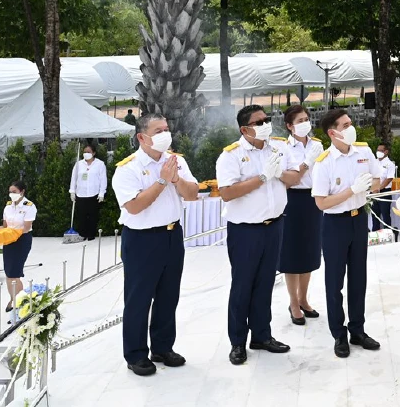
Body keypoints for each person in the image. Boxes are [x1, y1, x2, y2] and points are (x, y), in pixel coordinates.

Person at [113, 113, 199, 376]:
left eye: (166, 128)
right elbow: (135, 206)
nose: (165, 134)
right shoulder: (127, 168)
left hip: (172, 235)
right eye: (158, 130)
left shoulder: (177, 161)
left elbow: (192, 194)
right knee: (139, 299)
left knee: (168, 295)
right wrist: (162, 180)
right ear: (142, 137)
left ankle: (162, 347)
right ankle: (136, 354)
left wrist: (175, 179)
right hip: (142, 239)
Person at [215, 105, 292, 365]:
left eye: (267, 119)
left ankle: (262, 334)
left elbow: (292, 179)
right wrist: (261, 177)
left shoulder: (278, 147)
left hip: (274, 226)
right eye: (259, 122)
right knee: (242, 286)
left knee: (265, 284)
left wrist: (282, 172)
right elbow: (226, 192)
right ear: (245, 129)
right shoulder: (232, 156)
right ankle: (238, 342)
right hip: (246, 230)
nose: (266, 124)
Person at [311, 108, 381, 358]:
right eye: (345, 125)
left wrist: (369, 186)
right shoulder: (324, 163)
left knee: (359, 277)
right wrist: (351, 190)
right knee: (334, 282)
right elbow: (321, 203)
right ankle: (339, 335)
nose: (351, 128)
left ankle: (358, 330)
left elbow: (377, 179)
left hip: (358, 219)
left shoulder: (362, 151)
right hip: (334, 224)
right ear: (333, 133)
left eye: (350, 123)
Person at [277, 104, 323, 326]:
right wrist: (305, 164)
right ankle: (293, 302)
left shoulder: (318, 145)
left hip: (313, 199)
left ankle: (304, 299)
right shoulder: (284, 148)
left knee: (310, 251)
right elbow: (290, 179)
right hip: (293, 200)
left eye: (306, 118)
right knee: (292, 253)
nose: (305, 123)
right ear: (289, 126)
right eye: (299, 121)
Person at [1, 180, 35, 313]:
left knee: (15, 273)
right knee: (9, 273)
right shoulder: (8, 206)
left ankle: (21, 303)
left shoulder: (29, 206)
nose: (11, 194)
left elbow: (26, 228)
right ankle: (13, 299)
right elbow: (5, 226)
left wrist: (13, 232)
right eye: (10, 192)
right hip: (8, 241)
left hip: (21, 241)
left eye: (14, 192)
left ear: (22, 192)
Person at [69, 142, 107, 241]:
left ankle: (91, 234)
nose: (86, 153)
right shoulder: (78, 164)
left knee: (93, 215)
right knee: (82, 216)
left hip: (93, 194)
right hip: (81, 194)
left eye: (88, 152)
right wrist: (72, 191)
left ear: (94, 153)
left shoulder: (100, 164)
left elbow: (103, 179)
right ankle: (83, 234)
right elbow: (74, 178)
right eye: (85, 152)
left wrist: (102, 192)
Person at [371, 141, 397, 234]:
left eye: (381, 150)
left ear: (386, 152)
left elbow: (389, 178)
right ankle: (375, 233)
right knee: (375, 214)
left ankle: (388, 233)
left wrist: (379, 188)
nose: (378, 152)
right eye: (377, 150)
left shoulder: (390, 164)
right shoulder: (374, 162)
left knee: (385, 214)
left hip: (384, 191)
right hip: (373, 192)